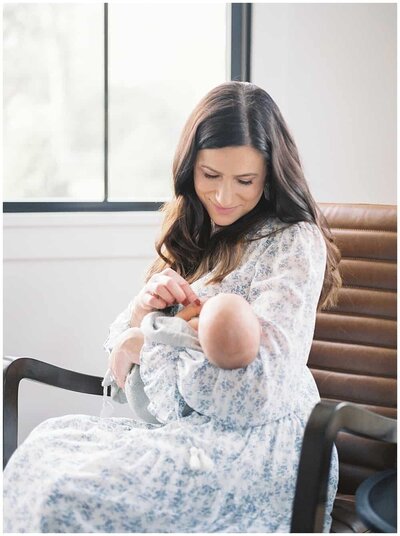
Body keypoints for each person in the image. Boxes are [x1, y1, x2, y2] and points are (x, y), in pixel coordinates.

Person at [3, 81, 342, 533]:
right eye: (209, 176)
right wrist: (142, 314)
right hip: (184, 431)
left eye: (245, 181)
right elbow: (122, 366)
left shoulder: (293, 242)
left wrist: (160, 343)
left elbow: (257, 395)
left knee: (70, 494)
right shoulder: (193, 230)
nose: (223, 197)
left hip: (264, 447)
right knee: (46, 450)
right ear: (189, 169)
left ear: (272, 174)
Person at [102, 293, 261, 423]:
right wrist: (138, 310)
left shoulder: (186, 338)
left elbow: (156, 329)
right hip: (155, 415)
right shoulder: (221, 358)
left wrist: (177, 319)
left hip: (153, 413)